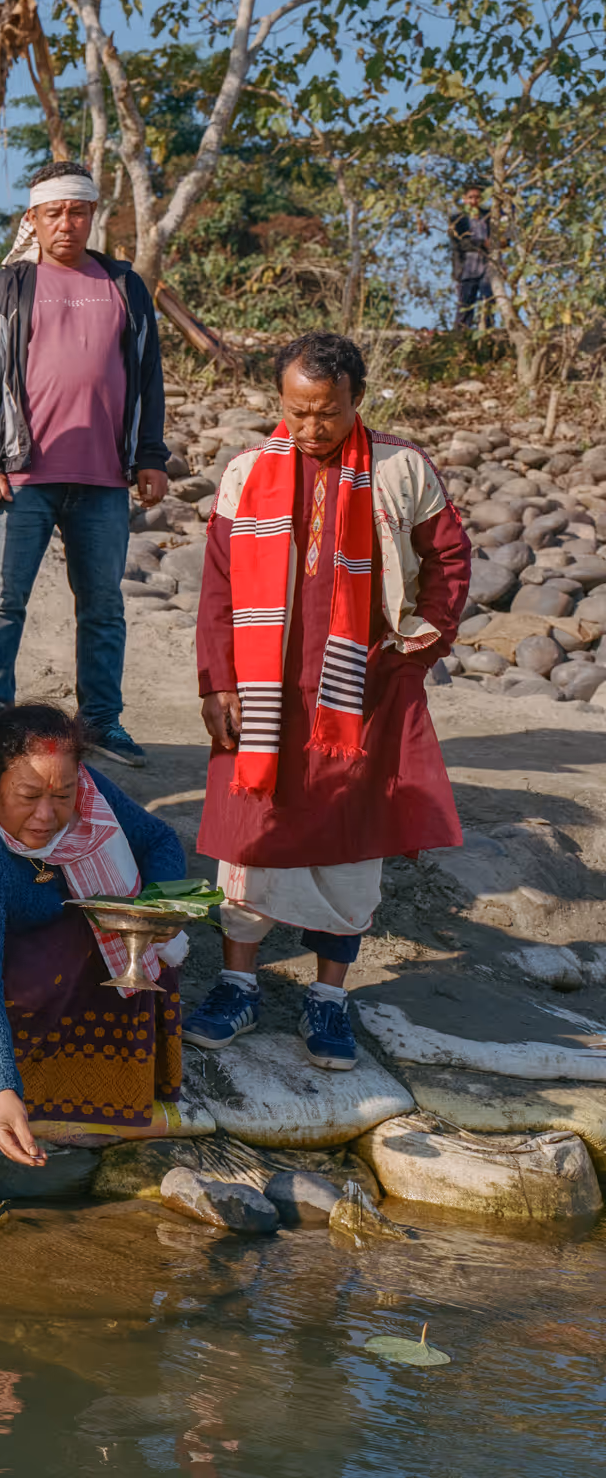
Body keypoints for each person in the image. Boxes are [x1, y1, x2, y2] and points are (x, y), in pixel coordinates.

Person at [183, 331, 469, 1070]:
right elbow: (218, 588)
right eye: (297, 410)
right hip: (263, 689)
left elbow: (449, 561)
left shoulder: (401, 469)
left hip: (358, 692)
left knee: (349, 842)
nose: (311, 427)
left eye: (327, 412)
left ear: (356, 400)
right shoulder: (246, 472)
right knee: (250, 839)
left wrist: (418, 647)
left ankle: (328, 998)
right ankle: (238, 985)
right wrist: (217, 682)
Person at [0, 160, 170, 769]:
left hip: (105, 477)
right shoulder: (10, 287)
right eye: (54, 213)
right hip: (22, 475)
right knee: (2, 599)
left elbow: (148, 376)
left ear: (93, 214)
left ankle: (100, 721)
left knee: (103, 605)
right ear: (34, 218)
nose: (66, 224)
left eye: (77, 212)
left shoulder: (124, 285)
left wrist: (150, 454)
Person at [0, 704, 190, 1161]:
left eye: (62, 795)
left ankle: (116, 1087)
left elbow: (159, 839)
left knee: (128, 931)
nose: (47, 814)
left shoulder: (86, 791)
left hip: (49, 940)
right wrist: (2, 1090)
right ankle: (14, 1098)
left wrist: (157, 909)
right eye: (27, 796)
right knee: (77, 945)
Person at [449, 186, 494, 331]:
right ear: (464, 200)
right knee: (465, 303)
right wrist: (482, 243)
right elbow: (460, 243)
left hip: (487, 263)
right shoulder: (457, 219)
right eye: (470, 197)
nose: (474, 201)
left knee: (489, 299)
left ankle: (487, 331)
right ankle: (460, 334)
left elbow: (501, 237)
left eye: (477, 197)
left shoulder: (489, 216)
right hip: (468, 265)